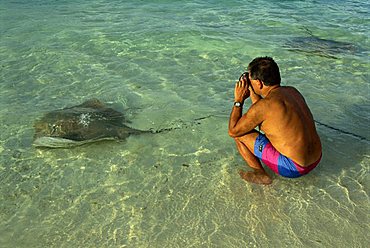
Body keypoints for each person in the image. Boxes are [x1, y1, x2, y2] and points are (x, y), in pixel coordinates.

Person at [228, 57, 322, 185]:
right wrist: (251, 90)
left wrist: (238, 100)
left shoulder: (264, 107)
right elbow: (263, 112)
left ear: (259, 83)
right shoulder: (292, 91)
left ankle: (260, 174)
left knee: (240, 135)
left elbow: (233, 131)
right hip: (316, 159)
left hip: (293, 168)